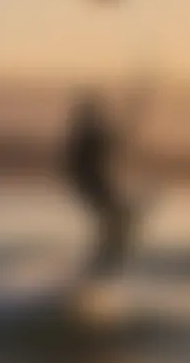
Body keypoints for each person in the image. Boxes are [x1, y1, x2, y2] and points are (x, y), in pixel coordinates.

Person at [62, 80, 153, 279]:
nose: (100, 116)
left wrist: (133, 117)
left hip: (92, 185)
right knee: (121, 219)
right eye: (96, 113)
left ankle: (102, 263)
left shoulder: (88, 133)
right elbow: (114, 140)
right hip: (92, 185)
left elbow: (116, 139)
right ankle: (100, 265)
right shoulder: (88, 135)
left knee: (122, 219)